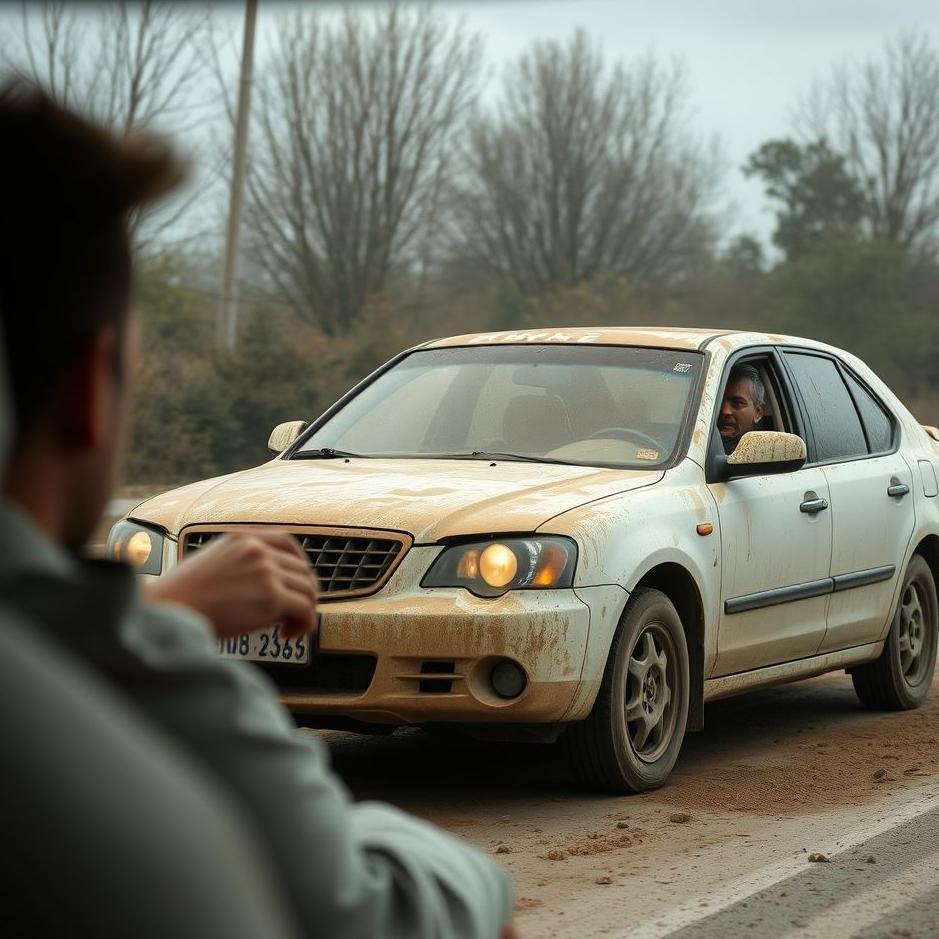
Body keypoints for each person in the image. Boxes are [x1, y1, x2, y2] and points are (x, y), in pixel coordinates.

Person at [0, 79, 515, 939]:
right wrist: (148, 630)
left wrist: (156, 609)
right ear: (91, 388)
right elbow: (366, 909)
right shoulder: (138, 667)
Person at [717, 363, 766, 455]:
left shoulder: (762, 454)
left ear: (758, 413)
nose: (725, 411)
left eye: (737, 403)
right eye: (718, 401)